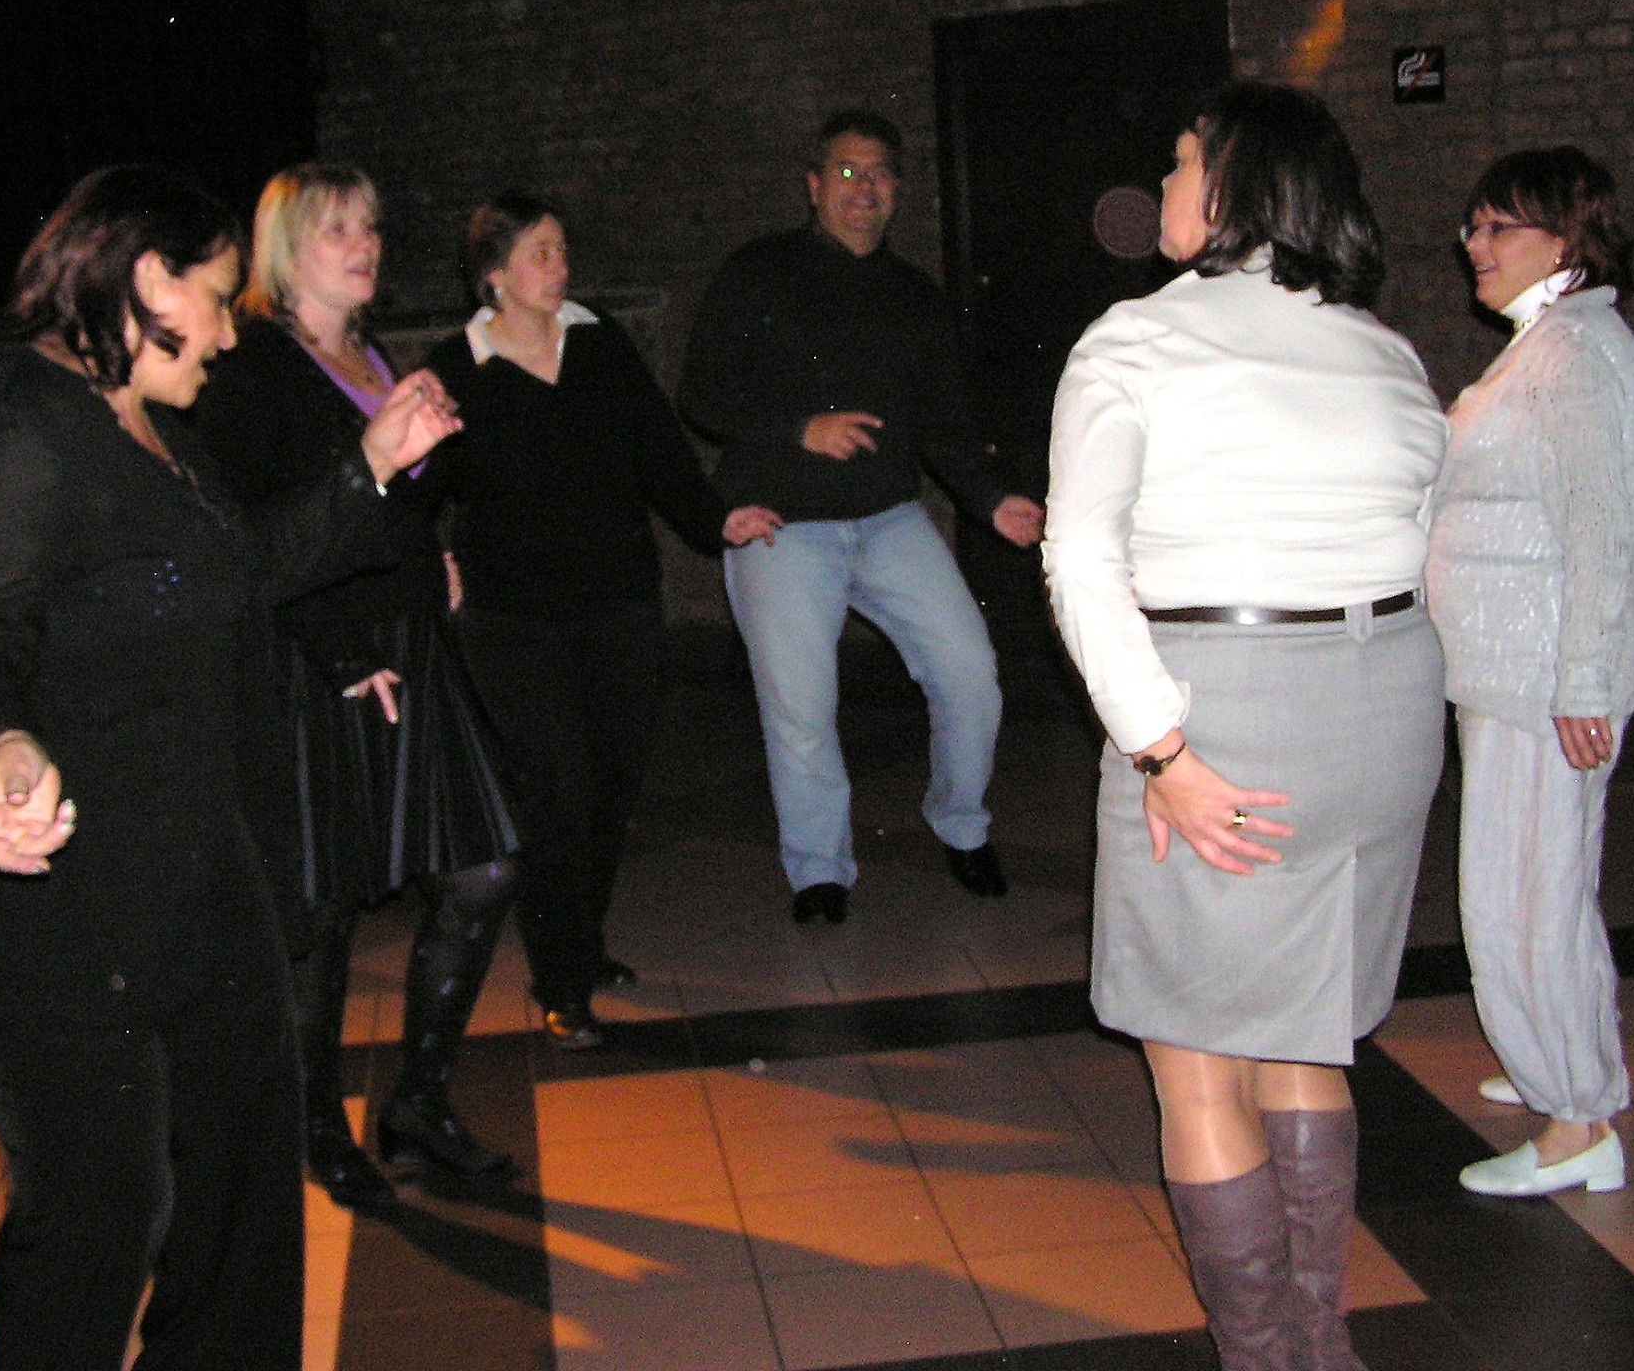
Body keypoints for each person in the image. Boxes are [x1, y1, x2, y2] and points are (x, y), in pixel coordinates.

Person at [0, 165, 459, 1371]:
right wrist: (4, 744)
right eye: (216, 297)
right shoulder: (19, 425)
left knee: (246, 1194)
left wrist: (368, 465)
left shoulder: (155, 430)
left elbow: (242, 575)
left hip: (198, 874)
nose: (226, 330)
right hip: (55, 900)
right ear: (147, 281)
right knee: (104, 1213)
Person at [1043, 82, 1448, 1371]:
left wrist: (1161, 752)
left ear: (1229, 187)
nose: (1160, 185)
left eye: (1177, 162)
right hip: (1385, 710)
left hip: (1228, 708)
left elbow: (1080, 561)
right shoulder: (1384, 351)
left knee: (1198, 1064)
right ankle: (1321, 1343)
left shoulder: (1138, 339)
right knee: (1304, 1033)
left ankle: (1268, 1358)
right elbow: (1421, 543)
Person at [195, 163, 521, 1209]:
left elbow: (392, 499)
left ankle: (417, 1100)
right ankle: (315, 1124)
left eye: (371, 227)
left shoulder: (371, 355)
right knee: (324, 909)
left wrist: (436, 540)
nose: (364, 246)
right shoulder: (252, 366)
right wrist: (335, 649)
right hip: (323, 662)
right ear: (286, 250)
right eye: (338, 229)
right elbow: (252, 545)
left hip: (410, 646)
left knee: (482, 870)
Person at [422, 191, 780, 1048]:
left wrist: (716, 518)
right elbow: (417, 483)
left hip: (617, 604)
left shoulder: (596, 340)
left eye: (561, 249)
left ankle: (581, 942)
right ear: (493, 273)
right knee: (558, 794)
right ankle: (559, 978)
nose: (559, 267)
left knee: (612, 787)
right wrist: (428, 556)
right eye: (539, 254)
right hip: (513, 621)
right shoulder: (455, 369)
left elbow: (658, 449)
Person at [678, 109, 1043, 926]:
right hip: (779, 523)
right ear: (813, 186)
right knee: (801, 709)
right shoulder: (758, 272)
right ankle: (818, 870)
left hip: (886, 520)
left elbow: (944, 422)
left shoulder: (912, 297)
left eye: (878, 173)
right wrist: (797, 429)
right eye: (845, 171)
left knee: (969, 673)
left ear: (896, 190)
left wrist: (991, 498)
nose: (863, 188)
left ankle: (960, 822)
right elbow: (700, 392)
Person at [1426, 147, 1634, 1198]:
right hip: (1511, 676)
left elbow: (1602, 532)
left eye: (1496, 227)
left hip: (1539, 686)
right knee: (1545, 890)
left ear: (1564, 239)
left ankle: (1577, 1123)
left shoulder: (1575, 354)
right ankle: (1570, 1071)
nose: (1472, 245)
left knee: (1521, 901)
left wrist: (1582, 685)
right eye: (1472, 226)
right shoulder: (1548, 343)